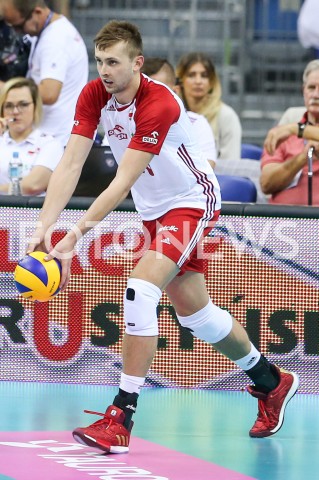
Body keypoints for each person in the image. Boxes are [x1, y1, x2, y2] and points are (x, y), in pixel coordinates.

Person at [27, 20, 299, 453]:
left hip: (191, 200)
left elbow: (120, 183)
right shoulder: (96, 94)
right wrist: (44, 227)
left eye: (113, 62)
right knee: (196, 314)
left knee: (139, 289)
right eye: (99, 62)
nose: (104, 71)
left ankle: (121, 416)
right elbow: (70, 163)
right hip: (154, 210)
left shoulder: (160, 103)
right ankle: (271, 380)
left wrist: (75, 233)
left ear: (137, 62)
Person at [1, 0, 89, 147]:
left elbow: (49, 93)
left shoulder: (55, 40)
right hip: (48, 137)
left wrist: (7, 88)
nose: (18, 32)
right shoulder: (51, 30)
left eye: (19, 26)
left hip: (56, 140)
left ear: (38, 12)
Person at [260, 59, 319, 205]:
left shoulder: (288, 129)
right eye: (311, 87)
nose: (316, 95)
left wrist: (295, 129)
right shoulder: (282, 135)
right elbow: (266, 184)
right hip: (283, 222)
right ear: (303, 91)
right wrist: (302, 158)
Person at [141, 57, 217, 168]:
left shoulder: (196, 124)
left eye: (158, 92)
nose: (151, 99)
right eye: (144, 92)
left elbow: (206, 169)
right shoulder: (123, 122)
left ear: (175, 91)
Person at [0, 76, 63, 195]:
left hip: (31, 212)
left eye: (23, 104)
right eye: (8, 105)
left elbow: (33, 185)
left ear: (35, 107)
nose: (15, 111)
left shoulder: (50, 144)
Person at [176, 52, 242, 161]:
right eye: (191, 75)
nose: (198, 81)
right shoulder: (173, 114)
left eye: (204, 76)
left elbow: (231, 163)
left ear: (211, 82)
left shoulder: (226, 116)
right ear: (181, 81)